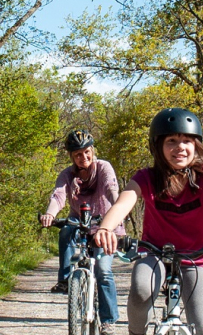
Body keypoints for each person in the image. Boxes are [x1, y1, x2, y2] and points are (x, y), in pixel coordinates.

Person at [92, 108, 203, 335]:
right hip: (153, 254)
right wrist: (106, 228)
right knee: (142, 290)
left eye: (187, 141)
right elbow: (123, 204)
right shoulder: (146, 178)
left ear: (196, 145)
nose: (180, 147)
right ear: (158, 147)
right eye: (171, 141)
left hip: (197, 257)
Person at [39, 129, 122, 335]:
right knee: (66, 230)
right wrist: (50, 214)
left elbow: (112, 189)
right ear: (71, 157)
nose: (83, 157)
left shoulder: (103, 168)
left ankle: (108, 320)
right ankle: (66, 279)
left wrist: (120, 208)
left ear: (93, 151)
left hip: (105, 224)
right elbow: (58, 196)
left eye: (87, 152)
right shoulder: (67, 175)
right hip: (79, 222)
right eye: (78, 154)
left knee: (103, 270)